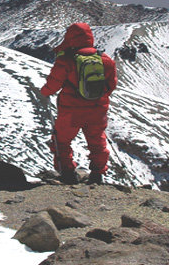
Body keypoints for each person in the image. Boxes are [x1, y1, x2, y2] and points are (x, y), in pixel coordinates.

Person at [39, 22, 117, 185]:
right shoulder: (105, 59)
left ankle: (68, 173)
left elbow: (54, 84)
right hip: (97, 111)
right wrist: (97, 99)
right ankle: (97, 174)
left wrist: (44, 92)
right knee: (97, 141)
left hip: (71, 111)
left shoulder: (66, 60)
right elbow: (111, 85)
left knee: (61, 140)